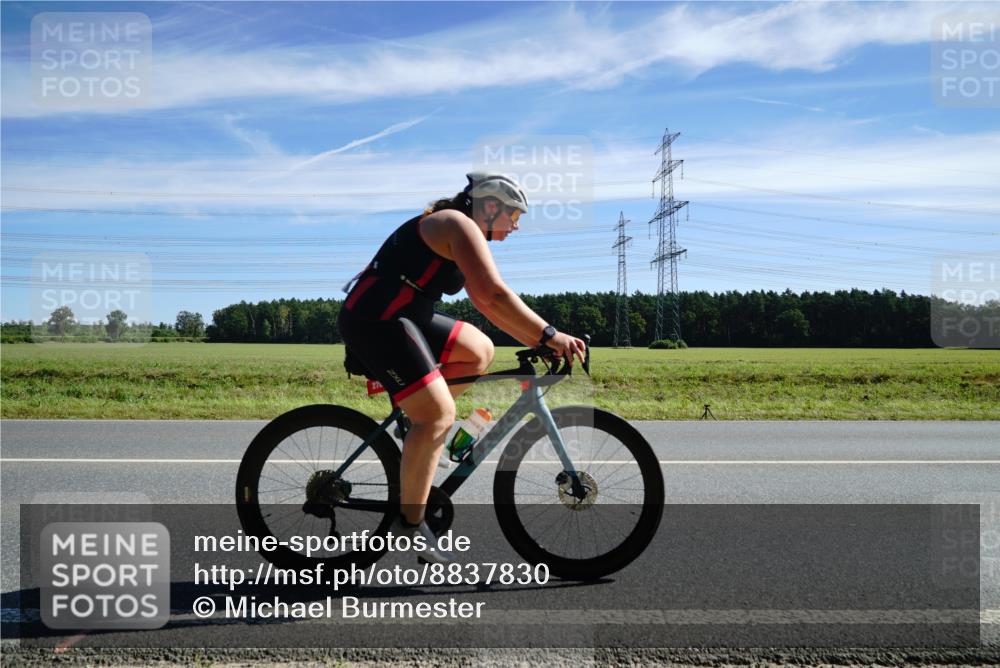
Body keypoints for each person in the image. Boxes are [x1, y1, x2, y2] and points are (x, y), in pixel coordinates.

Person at [337, 172, 586, 562]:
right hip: (375, 319)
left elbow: (488, 304)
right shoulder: (456, 224)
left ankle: (418, 426)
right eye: (514, 216)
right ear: (490, 207)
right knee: (438, 414)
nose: (516, 226)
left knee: (479, 351)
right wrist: (550, 335)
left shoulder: (458, 227)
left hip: (406, 314)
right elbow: (494, 293)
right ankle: (410, 524)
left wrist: (537, 340)